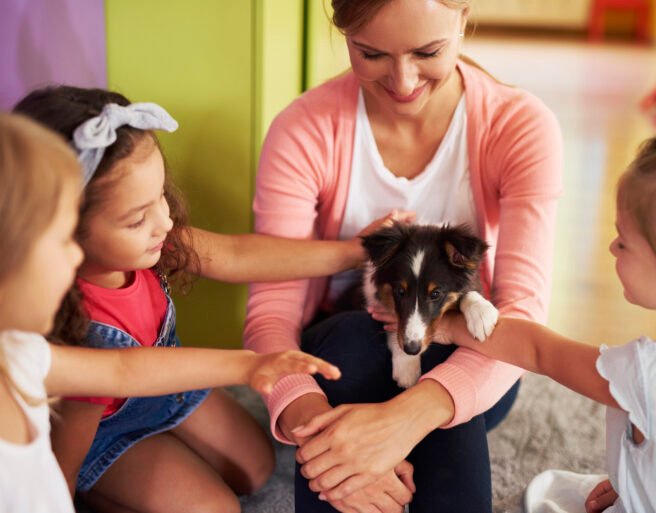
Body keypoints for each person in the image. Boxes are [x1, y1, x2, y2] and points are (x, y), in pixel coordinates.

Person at [12, 86, 397, 513]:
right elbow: (80, 434)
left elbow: (239, 255)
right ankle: (105, 492)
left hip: (169, 389)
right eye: (137, 218)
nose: (164, 221)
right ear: (66, 228)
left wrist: (350, 251)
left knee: (257, 469)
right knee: (218, 509)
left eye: (160, 195)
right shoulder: (71, 322)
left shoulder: (155, 243)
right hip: (106, 432)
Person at [244, 0, 562, 511]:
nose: (403, 81)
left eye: (428, 52)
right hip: (339, 356)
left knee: (439, 343)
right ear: (343, 31)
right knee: (354, 337)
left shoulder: (518, 127)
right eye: (370, 54)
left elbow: (521, 314)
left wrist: (407, 418)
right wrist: (315, 430)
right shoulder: (304, 129)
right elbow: (271, 316)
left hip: (473, 361)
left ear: (464, 17)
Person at [436, 112, 656, 512]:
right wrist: (639, 480)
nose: (612, 248)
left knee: (543, 497)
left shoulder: (653, 373)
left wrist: (451, 324)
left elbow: (539, 350)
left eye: (623, 243)